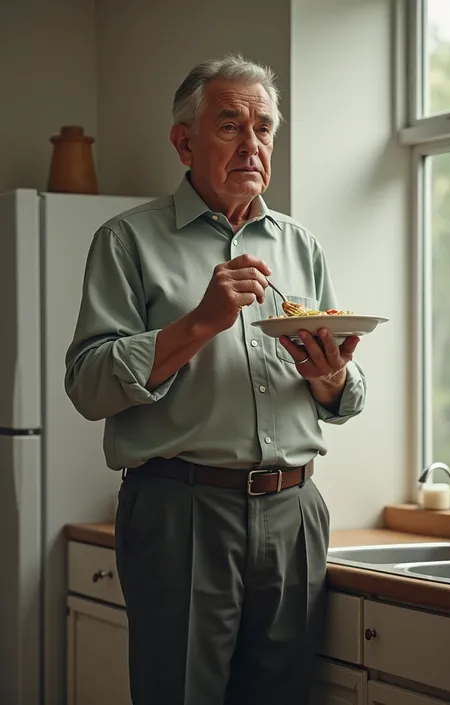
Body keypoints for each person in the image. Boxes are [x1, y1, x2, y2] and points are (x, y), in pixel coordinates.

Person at [65, 54, 366, 705]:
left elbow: (347, 393)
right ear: (183, 141)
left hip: (295, 513)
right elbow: (88, 385)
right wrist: (198, 323)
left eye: (263, 129)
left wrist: (331, 375)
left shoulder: (302, 246)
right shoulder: (127, 241)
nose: (251, 144)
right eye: (230, 125)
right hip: (183, 511)